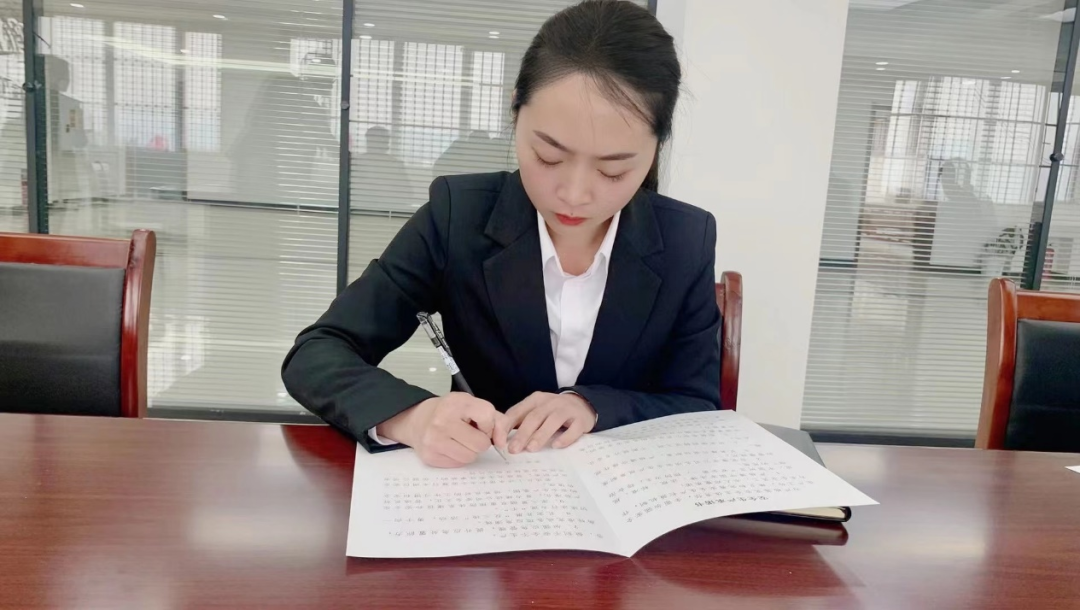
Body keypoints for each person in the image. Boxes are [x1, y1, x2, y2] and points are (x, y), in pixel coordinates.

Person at [282, 0, 719, 468]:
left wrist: (594, 406)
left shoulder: (685, 240)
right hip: (487, 485)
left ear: (656, 146)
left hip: (623, 498)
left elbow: (696, 404)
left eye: (613, 170)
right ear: (515, 110)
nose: (574, 194)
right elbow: (317, 354)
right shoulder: (458, 217)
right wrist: (412, 416)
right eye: (549, 157)